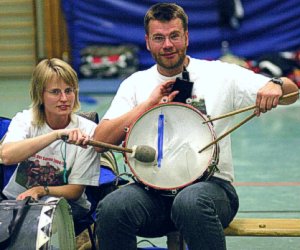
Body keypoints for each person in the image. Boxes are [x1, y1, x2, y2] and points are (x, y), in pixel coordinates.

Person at [93, 3, 298, 250]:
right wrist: (147, 105)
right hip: (153, 195)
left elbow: (291, 92)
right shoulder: (135, 84)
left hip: (212, 190)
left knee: (189, 202)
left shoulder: (220, 75)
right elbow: (100, 139)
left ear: (187, 37)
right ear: (147, 42)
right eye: (159, 38)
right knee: (113, 207)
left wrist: (275, 84)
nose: (167, 45)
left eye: (174, 36)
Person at [0, 58, 100, 232]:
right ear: (40, 94)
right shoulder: (26, 120)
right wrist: (55, 135)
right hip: (16, 201)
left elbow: (75, 190)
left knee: (38, 227)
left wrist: (41, 190)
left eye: (69, 91)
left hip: (67, 206)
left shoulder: (87, 130)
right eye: (55, 92)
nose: (64, 99)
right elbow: (7, 155)